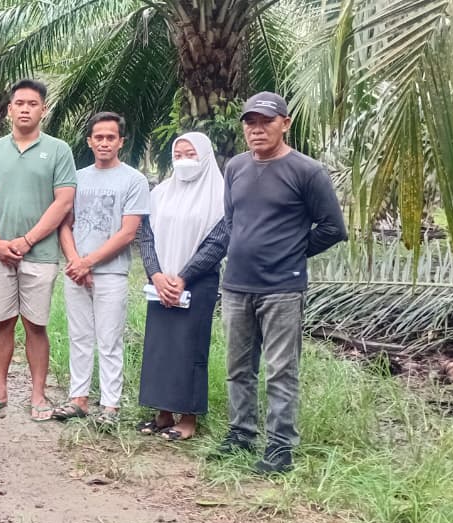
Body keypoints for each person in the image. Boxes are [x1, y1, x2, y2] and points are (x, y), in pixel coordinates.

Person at [217, 92, 347, 474]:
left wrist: (290, 252)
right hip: (236, 284)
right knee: (238, 367)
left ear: (285, 124)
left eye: (266, 122)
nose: (257, 130)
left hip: (282, 289)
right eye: (250, 122)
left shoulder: (307, 171)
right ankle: (240, 434)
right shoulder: (235, 167)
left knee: (280, 370)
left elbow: (333, 228)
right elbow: (231, 221)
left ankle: (280, 447)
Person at [0, 80, 78, 421]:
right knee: (1, 323)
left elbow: (63, 202)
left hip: (40, 254)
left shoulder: (59, 150)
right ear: (9, 109)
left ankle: (38, 394)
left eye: (33, 104)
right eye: (19, 103)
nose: (25, 109)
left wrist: (27, 240)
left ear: (43, 110)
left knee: (35, 325)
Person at [53, 112, 149, 425]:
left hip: (111, 273)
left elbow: (128, 232)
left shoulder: (134, 180)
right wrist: (75, 262)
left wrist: (89, 262)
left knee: (109, 340)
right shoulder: (76, 178)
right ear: (89, 141)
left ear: (121, 142)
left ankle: (110, 406)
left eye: (111, 137)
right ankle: (78, 399)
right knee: (79, 336)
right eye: (99, 137)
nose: (104, 142)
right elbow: (64, 224)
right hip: (76, 272)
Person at [136, 132, 227, 441]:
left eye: (191, 155)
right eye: (178, 155)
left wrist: (184, 277)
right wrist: (157, 275)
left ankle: (188, 418)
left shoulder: (221, 196)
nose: (184, 161)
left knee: (189, 349)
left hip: (197, 284)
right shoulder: (160, 193)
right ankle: (162, 413)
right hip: (159, 285)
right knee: (160, 347)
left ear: (205, 157)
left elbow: (217, 243)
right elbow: (146, 236)